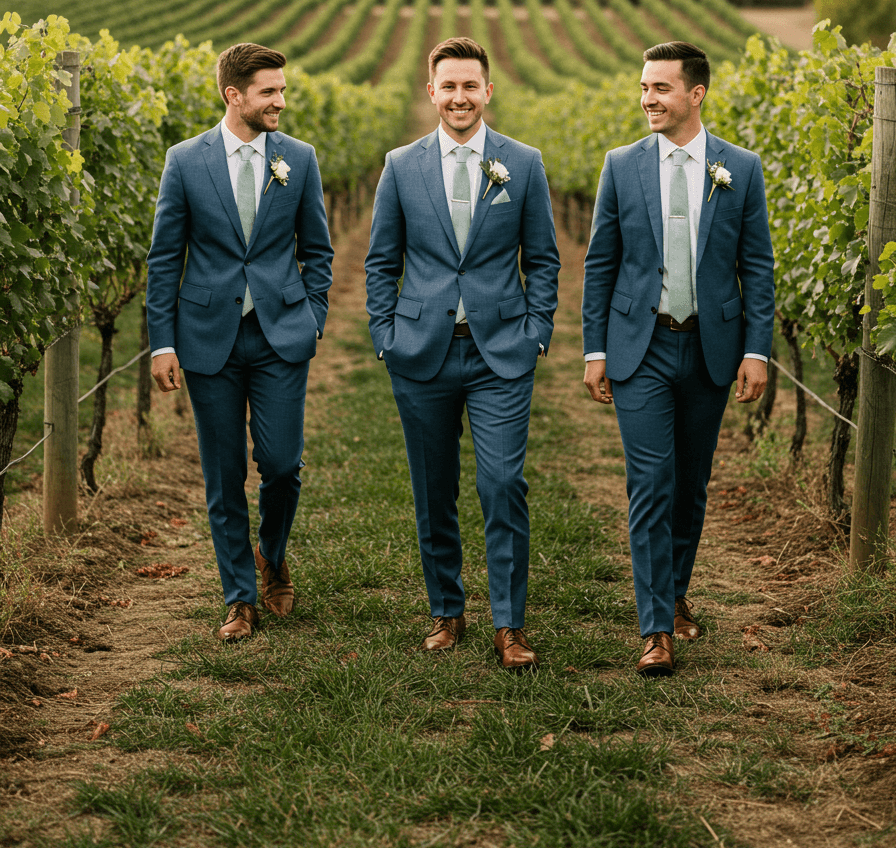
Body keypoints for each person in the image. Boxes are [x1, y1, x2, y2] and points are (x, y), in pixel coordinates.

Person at [365, 37, 560, 670]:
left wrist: (535, 332)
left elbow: (546, 259)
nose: (459, 97)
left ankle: (509, 624)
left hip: (501, 350)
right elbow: (379, 261)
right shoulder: (400, 165)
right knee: (434, 488)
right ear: (431, 93)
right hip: (420, 351)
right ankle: (447, 610)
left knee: (503, 483)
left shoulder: (523, 163)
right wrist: (386, 336)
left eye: (470, 86)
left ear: (488, 91)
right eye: (447, 86)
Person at [582, 42, 775, 677]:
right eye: (643, 87)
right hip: (641, 346)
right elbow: (601, 262)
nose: (648, 98)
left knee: (691, 484)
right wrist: (596, 348)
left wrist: (755, 349)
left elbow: (757, 265)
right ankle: (656, 628)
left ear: (696, 95)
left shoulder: (739, 169)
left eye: (661, 88)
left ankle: (677, 590)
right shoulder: (621, 164)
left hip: (712, 348)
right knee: (651, 484)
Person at [146, 42, 333, 642]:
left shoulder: (298, 159)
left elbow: (319, 252)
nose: (281, 100)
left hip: (280, 335)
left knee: (281, 464)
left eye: (282, 90)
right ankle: (239, 598)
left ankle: (272, 553)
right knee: (223, 473)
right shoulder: (185, 161)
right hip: (208, 339)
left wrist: (314, 316)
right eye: (269, 92)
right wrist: (161, 343)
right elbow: (164, 258)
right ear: (234, 96)